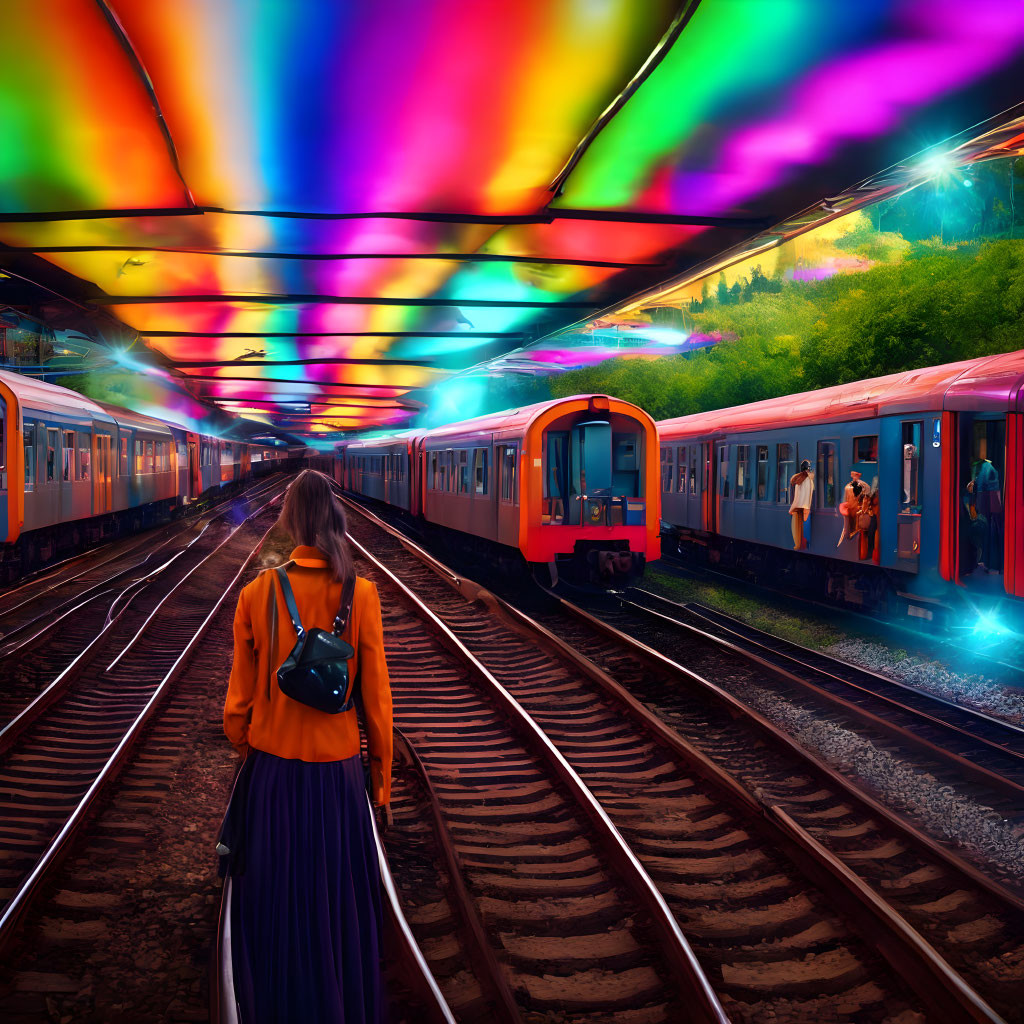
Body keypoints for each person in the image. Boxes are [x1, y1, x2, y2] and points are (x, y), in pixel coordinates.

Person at [222, 469, 393, 1023]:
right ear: (336, 520)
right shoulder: (361, 594)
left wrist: (245, 738)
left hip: (273, 770)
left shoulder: (257, 592)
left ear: (289, 521)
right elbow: (377, 702)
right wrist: (382, 781)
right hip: (339, 773)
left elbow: (237, 704)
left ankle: (278, 1000)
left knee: (277, 896)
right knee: (335, 898)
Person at [967, 454, 1002, 572]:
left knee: (986, 527)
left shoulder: (982, 467)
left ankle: (988, 561)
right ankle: (991, 563)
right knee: (992, 528)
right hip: (990, 499)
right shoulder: (988, 467)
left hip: (985, 498)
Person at [788, 460, 814, 550]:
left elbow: (796, 499)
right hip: (806, 510)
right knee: (805, 534)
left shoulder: (799, 481)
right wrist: (808, 508)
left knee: (797, 534)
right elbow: (810, 497)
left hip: (798, 509)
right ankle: (806, 547)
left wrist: (791, 509)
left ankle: (798, 547)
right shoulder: (810, 481)